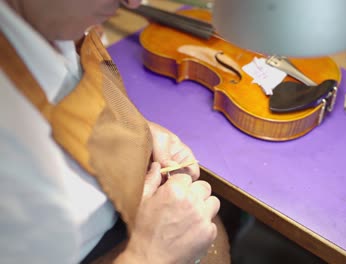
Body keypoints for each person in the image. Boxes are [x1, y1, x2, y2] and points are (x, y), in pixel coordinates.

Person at [0, 0, 230, 263]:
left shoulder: (48, 21)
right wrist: (148, 255)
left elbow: (66, 85)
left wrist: (132, 126)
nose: (134, 2)